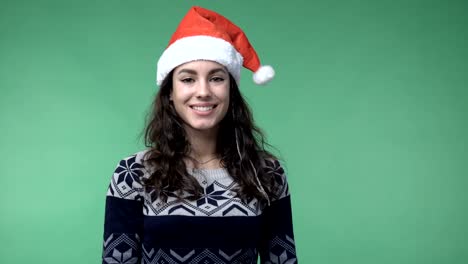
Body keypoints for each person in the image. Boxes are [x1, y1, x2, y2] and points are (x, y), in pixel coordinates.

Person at [102, 6, 298, 264]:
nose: (203, 91)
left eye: (216, 78)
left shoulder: (267, 173)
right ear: (170, 92)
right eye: (188, 79)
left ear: (231, 90)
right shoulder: (133, 174)